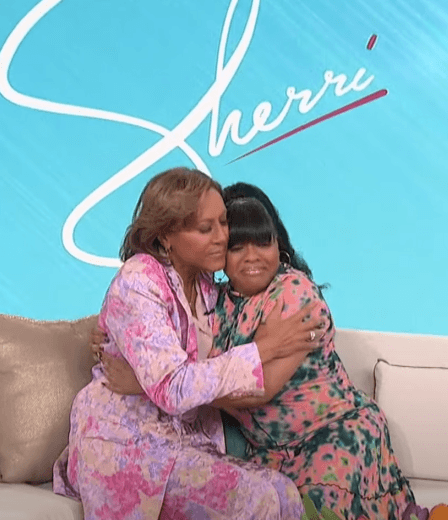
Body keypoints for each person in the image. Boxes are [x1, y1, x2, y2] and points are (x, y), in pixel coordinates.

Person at [103, 186, 416, 520]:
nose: (251, 256)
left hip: (333, 433)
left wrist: (150, 387)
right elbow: (168, 343)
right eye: (237, 247)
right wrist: (111, 333)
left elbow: (259, 390)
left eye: (263, 243)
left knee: (315, 509)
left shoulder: (294, 293)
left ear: (278, 246)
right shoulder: (215, 301)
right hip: (269, 449)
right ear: (221, 257)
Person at [53, 167, 326, 520]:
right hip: (124, 441)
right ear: (166, 235)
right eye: (205, 228)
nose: (222, 237)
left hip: (181, 438)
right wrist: (265, 349)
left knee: (283, 492)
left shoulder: (206, 284)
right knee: (259, 498)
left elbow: (198, 360)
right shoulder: (138, 281)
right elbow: (173, 388)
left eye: (223, 223)